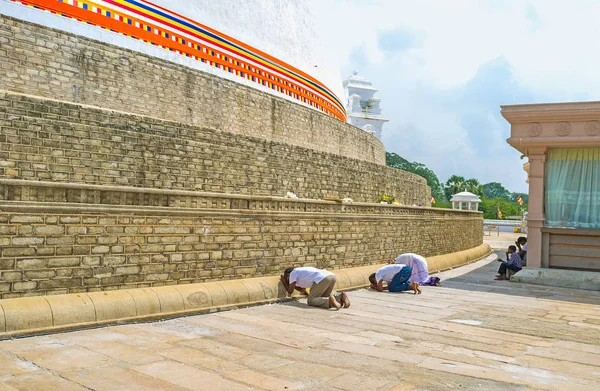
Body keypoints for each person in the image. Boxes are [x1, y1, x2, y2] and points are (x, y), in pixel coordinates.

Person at [280, 267, 350, 310]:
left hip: (322, 278)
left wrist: (284, 282)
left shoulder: (292, 273)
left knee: (311, 300)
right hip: (331, 276)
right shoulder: (300, 272)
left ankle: (329, 300)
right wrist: (293, 285)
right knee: (322, 297)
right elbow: (302, 289)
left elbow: (290, 291)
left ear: (287, 276)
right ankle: (340, 296)